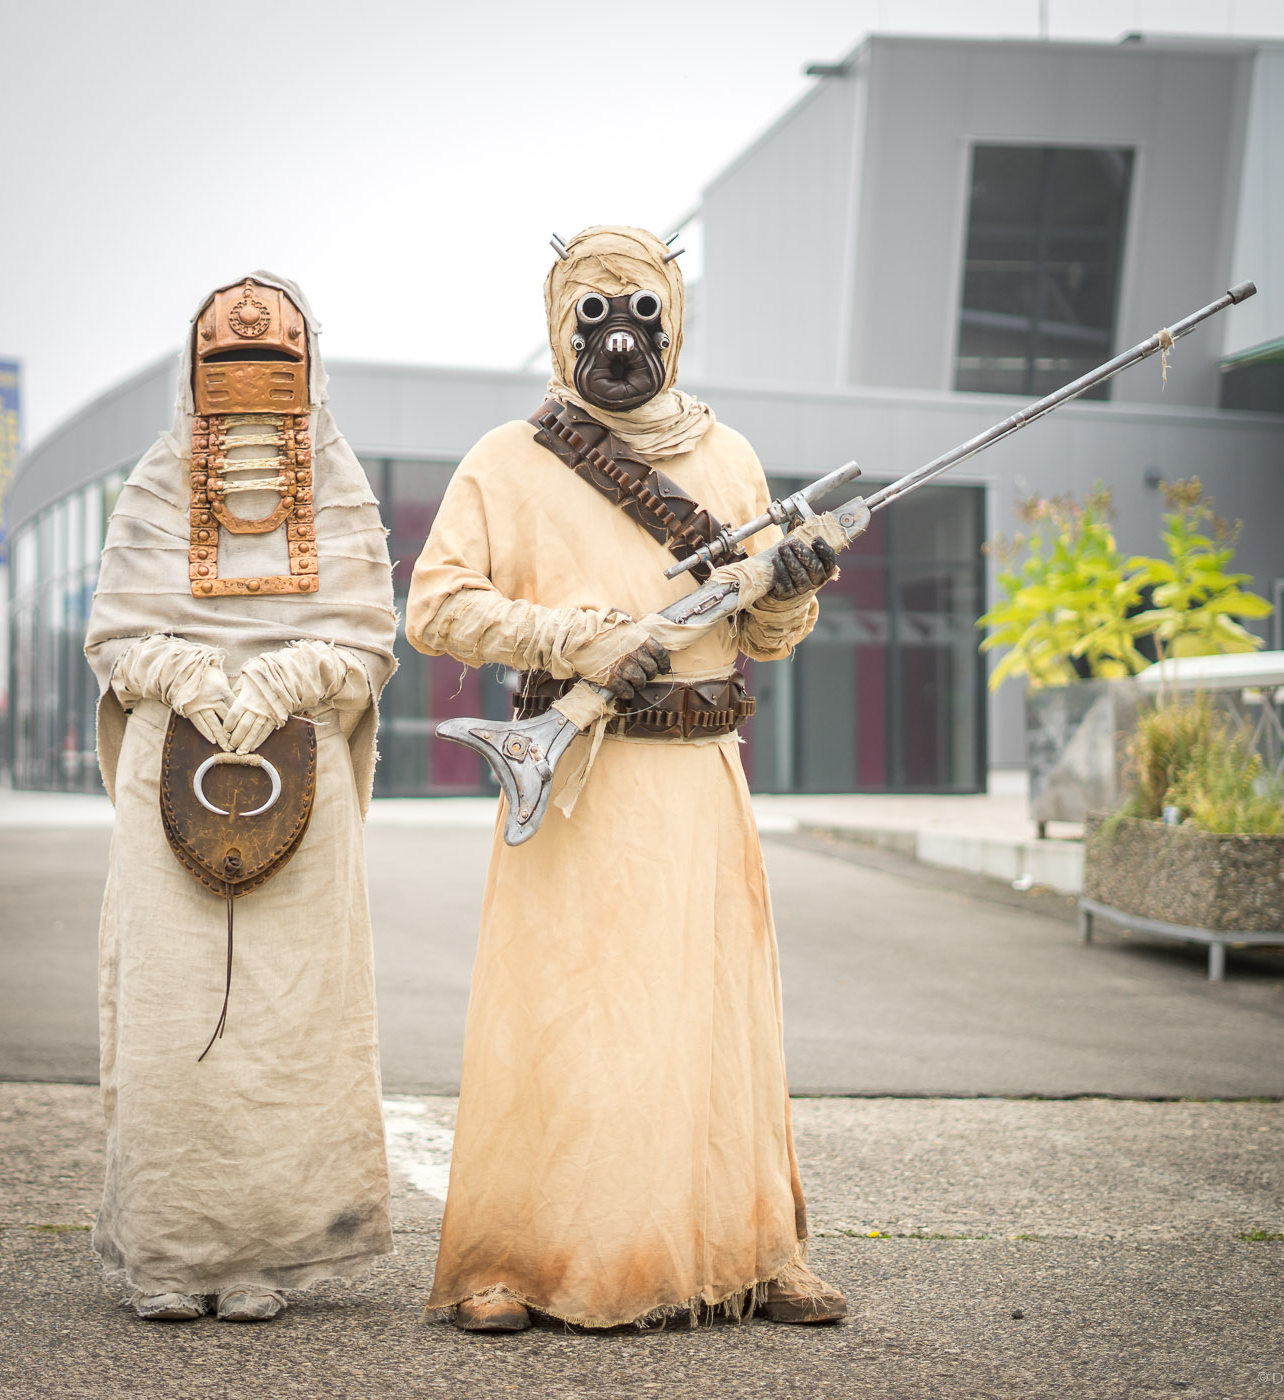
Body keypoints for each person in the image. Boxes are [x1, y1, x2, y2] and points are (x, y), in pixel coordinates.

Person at [406, 225, 847, 1331]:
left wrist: (792, 586)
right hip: (575, 786)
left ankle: (753, 1252)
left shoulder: (730, 457)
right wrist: (577, 639)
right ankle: (516, 1261)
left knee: (715, 1019)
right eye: (591, 313)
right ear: (558, 325)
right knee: (564, 1019)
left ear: (673, 320)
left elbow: (762, 636)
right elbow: (436, 607)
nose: (616, 338)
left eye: (639, 312)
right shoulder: (505, 460)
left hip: (700, 782)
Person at [84, 273, 398, 1322]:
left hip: (300, 761)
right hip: (169, 762)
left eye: (272, 357)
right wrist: (182, 674)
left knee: (289, 1019)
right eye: (227, 357)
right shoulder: (154, 483)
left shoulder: (340, 483)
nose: (251, 375)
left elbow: (367, 636)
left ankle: (267, 1250)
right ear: (193, 366)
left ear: (309, 367)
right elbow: (115, 633)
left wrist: (294, 676)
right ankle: (171, 1250)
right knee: (171, 1008)